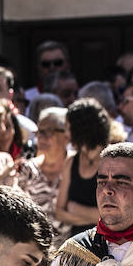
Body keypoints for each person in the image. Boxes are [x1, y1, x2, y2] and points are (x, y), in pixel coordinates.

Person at [14, 106, 71, 240]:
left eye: (48, 132)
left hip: (69, 250)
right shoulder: (29, 169)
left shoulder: (76, 167)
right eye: (39, 132)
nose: (41, 137)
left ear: (67, 135)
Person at [55, 98, 111, 234]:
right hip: (78, 243)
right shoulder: (71, 162)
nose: (66, 134)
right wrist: (96, 219)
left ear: (81, 128)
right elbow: (59, 212)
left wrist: (74, 208)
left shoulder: (112, 161)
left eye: (68, 128)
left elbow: (114, 215)